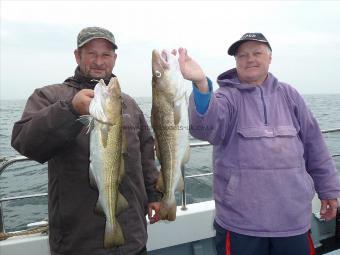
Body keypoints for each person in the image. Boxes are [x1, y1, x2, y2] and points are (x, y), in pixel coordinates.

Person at [176, 33, 340, 255]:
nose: (249, 59)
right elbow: (205, 128)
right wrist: (201, 85)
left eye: (256, 53)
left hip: (293, 220)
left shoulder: (290, 95)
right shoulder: (227, 97)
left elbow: (315, 146)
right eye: (242, 55)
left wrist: (328, 190)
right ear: (236, 62)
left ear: (270, 58)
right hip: (241, 223)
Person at [11, 26, 162, 255]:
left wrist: (154, 195)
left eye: (106, 55)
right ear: (77, 55)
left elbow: (145, 153)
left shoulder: (129, 104)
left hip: (132, 238)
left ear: (115, 59)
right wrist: (70, 110)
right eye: (91, 53)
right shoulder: (50, 97)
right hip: (78, 243)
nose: (99, 61)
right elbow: (25, 142)